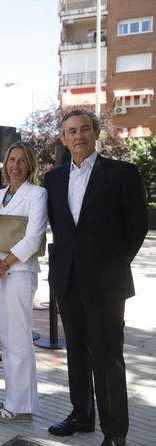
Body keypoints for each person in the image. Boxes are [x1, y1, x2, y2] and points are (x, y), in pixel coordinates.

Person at [44, 109, 147, 446]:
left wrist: (113, 264)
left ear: (95, 133)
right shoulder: (54, 179)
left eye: (85, 129)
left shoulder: (121, 173)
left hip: (106, 281)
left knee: (107, 358)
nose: (78, 136)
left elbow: (136, 227)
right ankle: (81, 415)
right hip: (68, 279)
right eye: (71, 131)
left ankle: (115, 431)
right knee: (76, 352)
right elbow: (60, 228)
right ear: (63, 138)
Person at [0, 141, 47, 422]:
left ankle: (20, 406)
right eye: (11, 160)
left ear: (30, 164)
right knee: (7, 341)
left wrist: (2, 267)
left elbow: (33, 238)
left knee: (18, 341)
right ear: (5, 163)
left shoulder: (37, 194)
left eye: (21, 160)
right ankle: (17, 401)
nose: (15, 165)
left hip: (18, 275)